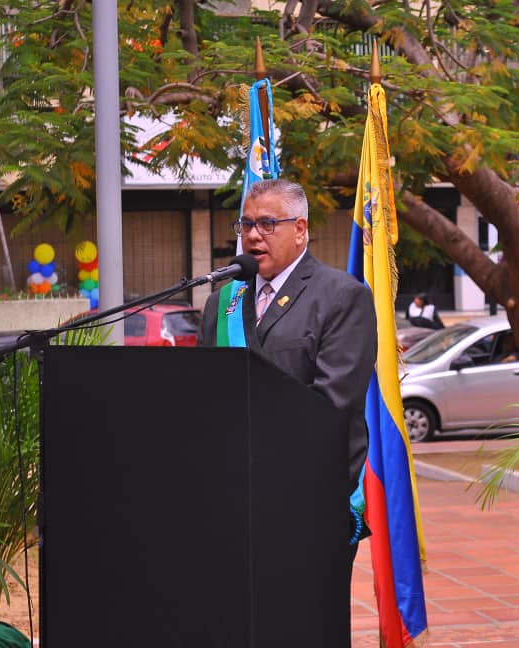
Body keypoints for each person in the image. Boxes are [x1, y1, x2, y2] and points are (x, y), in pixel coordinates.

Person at [200, 179, 377, 637]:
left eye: (266, 224)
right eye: (246, 225)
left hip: (307, 503)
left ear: (300, 230)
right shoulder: (224, 300)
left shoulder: (340, 296)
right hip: (232, 503)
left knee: (302, 629)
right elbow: (203, 394)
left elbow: (331, 408)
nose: (253, 236)